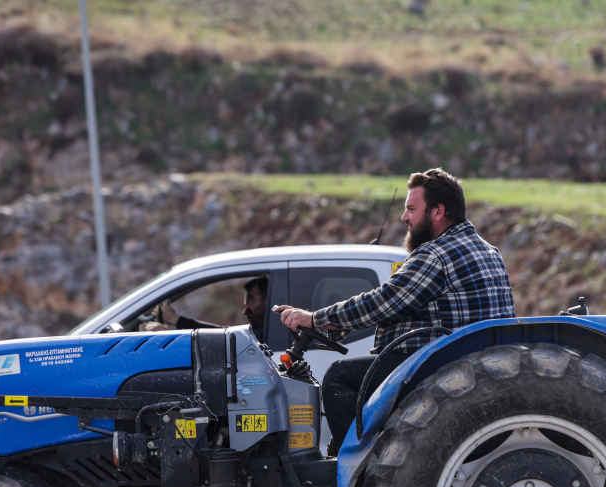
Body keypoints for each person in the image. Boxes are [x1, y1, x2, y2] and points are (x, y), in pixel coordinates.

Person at [276, 168, 515, 455]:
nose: (405, 218)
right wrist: (335, 326)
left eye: (412, 209)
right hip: (473, 363)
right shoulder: (489, 251)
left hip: (439, 367)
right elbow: (400, 306)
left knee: (339, 376)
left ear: (438, 212)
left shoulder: (436, 254)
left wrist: (315, 319)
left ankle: (352, 466)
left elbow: (382, 302)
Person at [155, 276, 268, 341]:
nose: (245, 310)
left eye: (251, 299)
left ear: (269, 300)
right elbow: (227, 333)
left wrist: (171, 337)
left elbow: (230, 340)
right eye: (245, 302)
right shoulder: (265, 331)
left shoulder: (267, 335)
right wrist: (177, 320)